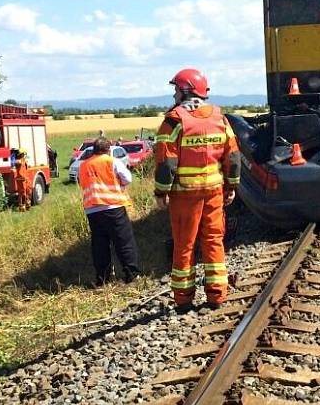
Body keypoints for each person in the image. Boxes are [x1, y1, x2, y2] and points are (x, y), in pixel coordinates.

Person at [154, 68, 241, 312]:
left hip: (184, 194)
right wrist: (231, 186)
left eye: (175, 90)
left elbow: (166, 162)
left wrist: (161, 192)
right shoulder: (219, 119)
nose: (173, 95)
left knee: (185, 245)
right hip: (214, 191)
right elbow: (233, 157)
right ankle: (217, 296)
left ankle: (183, 300)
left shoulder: (174, 121)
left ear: (185, 90)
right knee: (214, 240)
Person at [78, 137, 141, 286]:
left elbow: (82, 183)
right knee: (123, 241)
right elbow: (128, 179)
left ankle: (103, 278)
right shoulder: (112, 161)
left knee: (99, 244)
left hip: (92, 209)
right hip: (113, 207)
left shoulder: (84, 165)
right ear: (108, 149)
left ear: (94, 149)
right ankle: (131, 275)